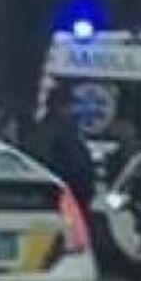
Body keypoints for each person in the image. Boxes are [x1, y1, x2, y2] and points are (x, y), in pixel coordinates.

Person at [35, 85, 96, 215]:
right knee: (47, 231)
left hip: (67, 193)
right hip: (60, 193)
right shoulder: (56, 129)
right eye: (68, 106)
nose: (71, 110)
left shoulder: (63, 128)